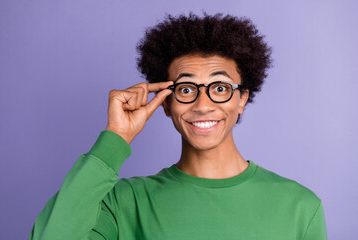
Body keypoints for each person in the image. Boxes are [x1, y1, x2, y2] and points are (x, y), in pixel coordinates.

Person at [29, 13, 327, 239]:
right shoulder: (124, 202)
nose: (203, 104)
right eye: (186, 89)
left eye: (220, 88)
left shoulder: (300, 206)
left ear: (241, 99)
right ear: (166, 104)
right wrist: (115, 138)